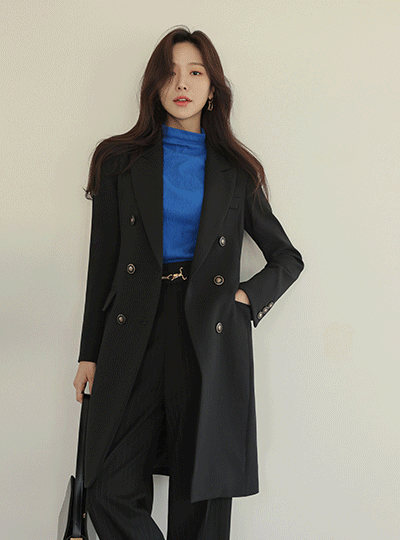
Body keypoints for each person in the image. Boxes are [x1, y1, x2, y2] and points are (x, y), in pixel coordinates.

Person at [73, 25, 304, 540]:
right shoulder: (119, 161)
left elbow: (287, 258)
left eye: (195, 72)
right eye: (171, 72)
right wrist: (89, 353)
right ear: (154, 85)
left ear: (212, 87)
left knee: (202, 499)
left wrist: (243, 299)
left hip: (208, 328)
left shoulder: (235, 172)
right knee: (106, 487)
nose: (182, 83)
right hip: (135, 324)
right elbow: (101, 263)